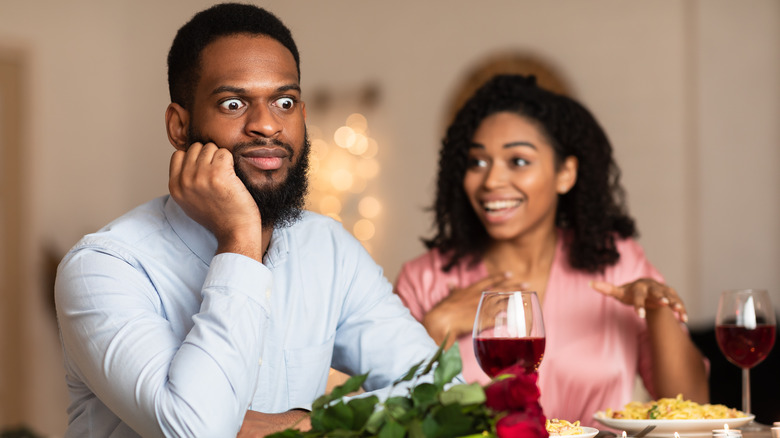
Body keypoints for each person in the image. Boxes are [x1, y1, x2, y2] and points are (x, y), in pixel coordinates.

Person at [54, 4, 438, 437]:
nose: (267, 125)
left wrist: (297, 423)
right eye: (233, 103)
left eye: (284, 101)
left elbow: (439, 392)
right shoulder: (103, 268)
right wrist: (239, 237)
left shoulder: (329, 250)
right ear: (179, 126)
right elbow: (196, 431)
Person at [394, 74, 709, 427]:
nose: (491, 181)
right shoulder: (424, 280)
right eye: (477, 163)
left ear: (565, 174)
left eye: (518, 161)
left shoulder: (617, 264)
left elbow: (693, 407)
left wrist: (658, 311)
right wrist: (437, 326)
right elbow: (385, 419)